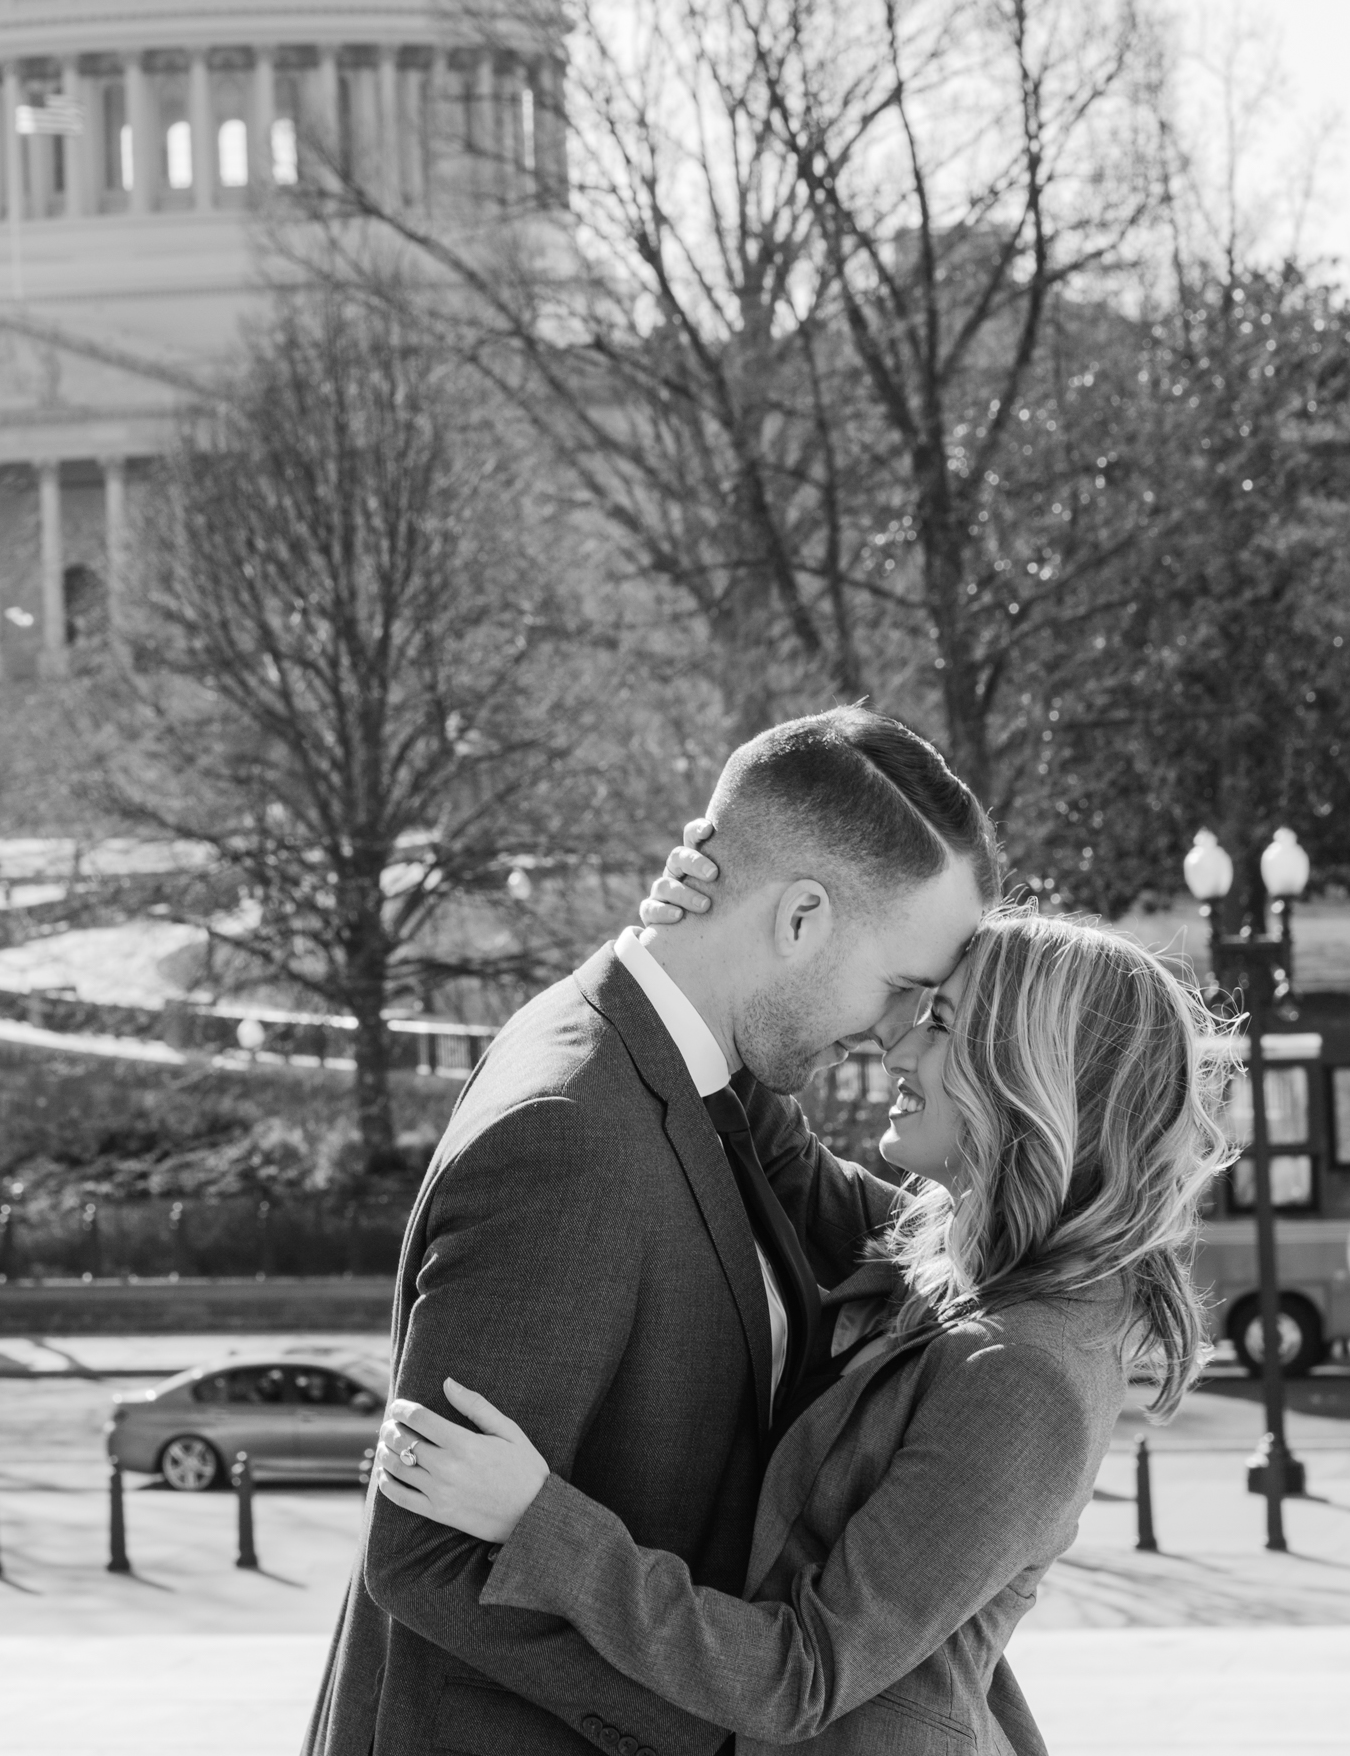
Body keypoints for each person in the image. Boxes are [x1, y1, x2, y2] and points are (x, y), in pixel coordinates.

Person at [376, 894, 1237, 1756]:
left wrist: (539, 1521)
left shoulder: (1028, 1375)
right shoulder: (968, 1255)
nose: (895, 1043)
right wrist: (701, 930)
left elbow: (803, 1676)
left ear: (1030, 1078)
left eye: (938, 1022)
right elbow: (772, 1144)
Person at [302, 707, 995, 1756]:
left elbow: (875, 1228)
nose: (896, 1028)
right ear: (799, 919)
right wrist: (719, 1734)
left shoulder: (688, 1075)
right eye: (900, 987)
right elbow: (425, 1557)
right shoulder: (567, 1137)